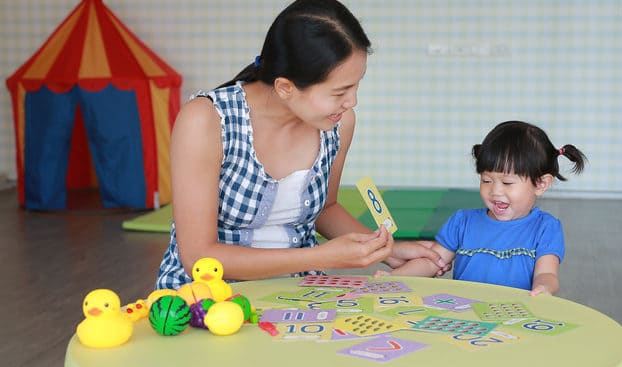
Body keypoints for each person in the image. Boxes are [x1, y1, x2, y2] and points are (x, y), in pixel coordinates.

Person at [155, 0, 444, 289]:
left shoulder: (339, 123)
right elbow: (198, 257)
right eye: (340, 91)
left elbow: (326, 208)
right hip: (208, 299)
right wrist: (320, 257)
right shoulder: (206, 121)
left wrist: (386, 249)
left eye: (357, 85)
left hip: (298, 294)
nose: (352, 101)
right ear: (285, 88)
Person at [375, 121, 588, 296]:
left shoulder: (546, 227)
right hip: (464, 315)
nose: (495, 191)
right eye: (486, 180)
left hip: (518, 316)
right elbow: (431, 262)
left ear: (541, 184)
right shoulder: (463, 222)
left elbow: (547, 274)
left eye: (507, 183)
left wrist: (544, 288)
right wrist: (395, 278)